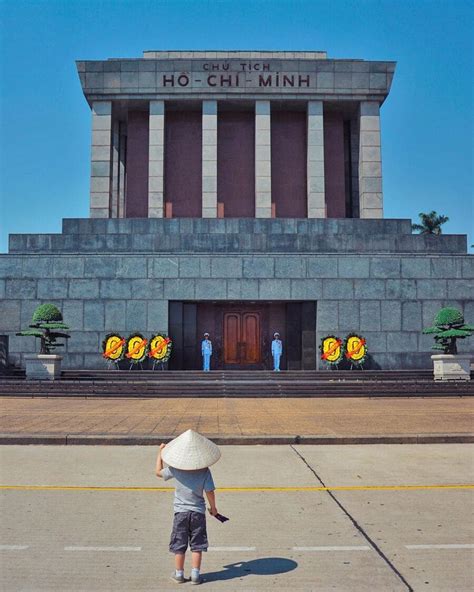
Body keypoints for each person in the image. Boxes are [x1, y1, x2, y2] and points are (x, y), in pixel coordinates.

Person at [156, 429, 221, 585]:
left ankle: (179, 574)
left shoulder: (175, 469)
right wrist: (213, 508)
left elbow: (158, 472)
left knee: (179, 544)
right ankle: (196, 575)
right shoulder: (205, 471)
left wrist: (160, 453)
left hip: (180, 513)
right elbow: (210, 491)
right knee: (197, 545)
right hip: (198, 513)